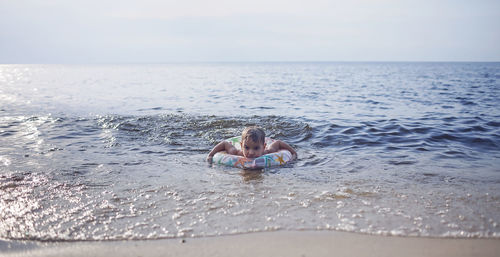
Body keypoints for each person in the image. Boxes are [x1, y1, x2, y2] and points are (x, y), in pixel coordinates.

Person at [206, 126, 297, 163]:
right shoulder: (236, 153)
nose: (251, 152)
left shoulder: (268, 152)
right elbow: (225, 143)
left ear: (263, 147)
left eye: (256, 148)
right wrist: (210, 155)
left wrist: (293, 154)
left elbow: (279, 143)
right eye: (246, 147)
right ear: (241, 145)